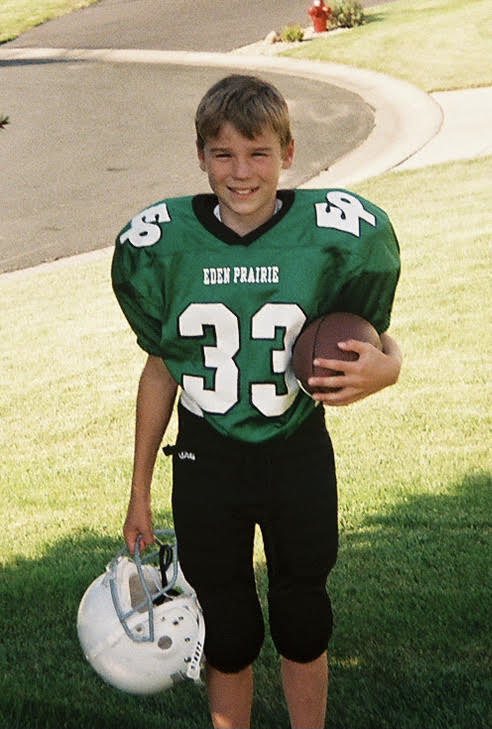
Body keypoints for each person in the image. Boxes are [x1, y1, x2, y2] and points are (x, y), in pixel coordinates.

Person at [111, 74, 402, 729]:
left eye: (258, 153)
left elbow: (372, 340)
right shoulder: (165, 248)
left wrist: (387, 371)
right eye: (223, 154)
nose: (241, 172)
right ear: (201, 157)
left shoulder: (331, 238)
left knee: (303, 616)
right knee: (229, 627)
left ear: (289, 153)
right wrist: (139, 490)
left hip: (296, 449)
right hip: (207, 454)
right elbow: (161, 368)